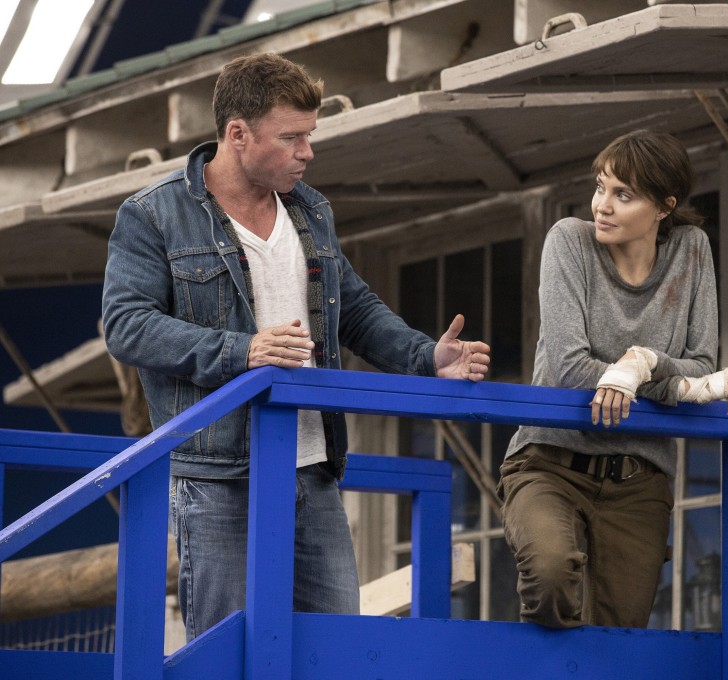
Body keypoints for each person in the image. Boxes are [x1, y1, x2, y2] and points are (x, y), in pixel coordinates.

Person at [101, 52, 491, 641]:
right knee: (224, 654)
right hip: (217, 476)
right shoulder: (153, 215)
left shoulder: (310, 208)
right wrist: (243, 352)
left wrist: (424, 358)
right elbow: (126, 325)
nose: (308, 152)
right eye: (293, 138)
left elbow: (353, 308)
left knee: (336, 651)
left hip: (314, 467)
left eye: (310, 136)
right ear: (237, 134)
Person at [498, 129, 728, 629]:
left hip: (640, 479)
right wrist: (672, 384)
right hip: (550, 461)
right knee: (550, 577)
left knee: (621, 633)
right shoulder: (568, 241)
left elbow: (701, 362)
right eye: (600, 187)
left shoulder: (693, 251)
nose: (602, 205)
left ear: (663, 207)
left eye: (623, 194)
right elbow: (571, 369)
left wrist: (639, 364)